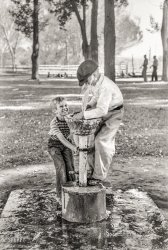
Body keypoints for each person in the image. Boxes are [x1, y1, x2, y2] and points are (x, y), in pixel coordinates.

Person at [73, 60, 124, 186]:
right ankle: (91, 170)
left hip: (114, 114)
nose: (86, 83)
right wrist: (90, 105)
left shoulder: (106, 86)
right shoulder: (96, 82)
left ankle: (99, 176)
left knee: (101, 141)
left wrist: (83, 115)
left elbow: (102, 110)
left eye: (86, 80)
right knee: (90, 138)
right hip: (105, 111)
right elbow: (97, 97)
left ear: (93, 74)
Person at [48, 97, 78, 200]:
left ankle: (72, 190)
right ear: (55, 111)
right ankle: (60, 196)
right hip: (54, 145)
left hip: (67, 145)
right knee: (61, 167)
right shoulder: (54, 123)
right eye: (61, 106)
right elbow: (61, 139)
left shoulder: (70, 119)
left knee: (70, 166)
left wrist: (72, 131)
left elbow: (74, 131)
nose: (65, 108)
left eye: (66, 105)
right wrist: (74, 148)